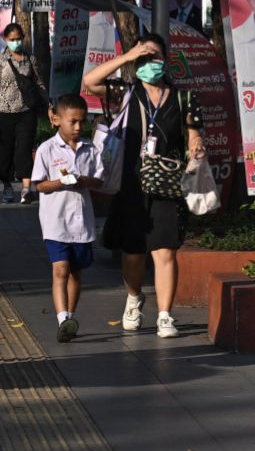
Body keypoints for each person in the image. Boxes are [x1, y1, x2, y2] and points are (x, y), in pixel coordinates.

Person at [83, 34, 205, 339]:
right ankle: (134, 298)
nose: (150, 63)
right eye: (144, 58)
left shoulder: (182, 98)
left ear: (166, 60)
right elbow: (90, 81)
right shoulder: (125, 93)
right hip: (132, 184)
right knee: (134, 253)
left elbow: (193, 135)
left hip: (166, 183)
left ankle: (165, 314)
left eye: (155, 57)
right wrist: (127, 57)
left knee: (165, 252)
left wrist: (197, 147)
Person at [31, 93, 103, 343]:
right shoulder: (47, 149)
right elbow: (39, 185)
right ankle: (62, 318)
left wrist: (84, 180)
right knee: (60, 269)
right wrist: (60, 182)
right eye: (72, 121)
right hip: (55, 222)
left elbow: (99, 179)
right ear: (56, 120)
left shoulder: (89, 148)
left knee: (76, 271)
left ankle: (70, 316)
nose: (77, 127)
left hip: (81, 222)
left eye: (82, 122)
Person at [0, 23, 47, 205]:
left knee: (24, 149)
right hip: (3, 113)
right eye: (12, 39)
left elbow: (39, 84)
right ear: (5, 39)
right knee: (6, 151)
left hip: (26, 112)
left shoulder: (30, 60)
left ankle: (26, 188)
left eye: (18, 38)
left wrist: (48, 105)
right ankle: (7, 186)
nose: (16, 42)